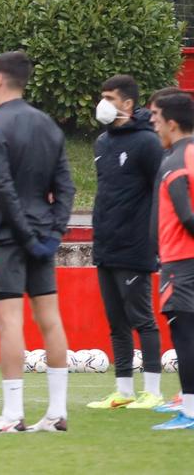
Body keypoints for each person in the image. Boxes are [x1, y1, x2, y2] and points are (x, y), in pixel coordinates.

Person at [0, 51, 76, 434]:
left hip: (9, 236)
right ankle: (56, 411)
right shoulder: (48, 124)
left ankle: (13, 412)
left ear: (0, 79)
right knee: (50, 320)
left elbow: (2, 187)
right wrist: (53, 233)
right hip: (42, 237)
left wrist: (26, 235)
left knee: (9, 321)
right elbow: (66, 185)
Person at [88, 75, 167, 410]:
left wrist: (154, 240)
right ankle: (123, 390)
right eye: (101, 96)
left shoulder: (148, 143)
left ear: (128, 103)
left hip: (136, 246)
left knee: (142, 319)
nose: (103, 103)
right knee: (116, 321)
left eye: (110, 97)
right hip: (105, 245)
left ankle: (153, 390)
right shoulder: (102, 143)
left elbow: (160, 193)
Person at [145, 90, 194, 430]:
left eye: (156, 117)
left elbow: (187, 217)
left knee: (186, 337)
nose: (152, 123)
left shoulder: (176, 160)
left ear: (172, 123)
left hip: (181, 263)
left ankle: (190, 411)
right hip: (183, 262)